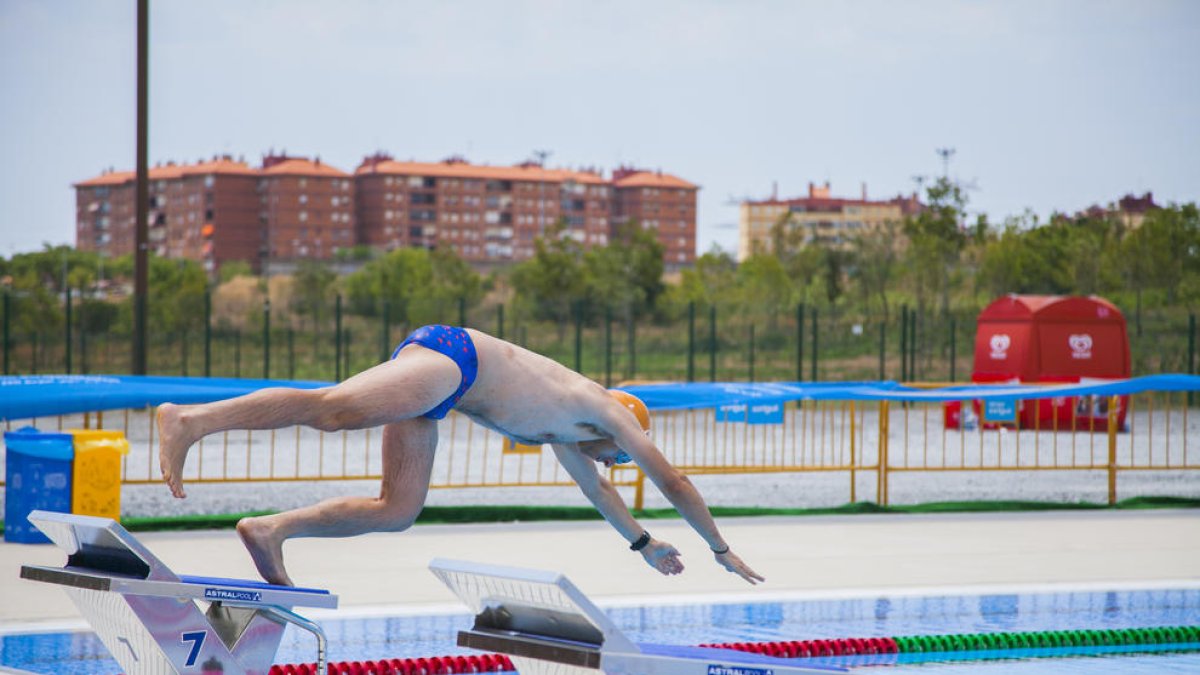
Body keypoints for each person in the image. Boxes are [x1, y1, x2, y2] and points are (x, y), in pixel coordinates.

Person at [158, 325, 764, 587]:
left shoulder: (570, 436)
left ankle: (270, 531)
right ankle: (191, 420)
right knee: (335, 411)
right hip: (455, 358)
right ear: (628, 428)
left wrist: (643, 545)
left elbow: (599, 495)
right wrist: (720, 548)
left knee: (398, 509)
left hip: (445, 393)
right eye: (619, 458)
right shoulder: (601, 409)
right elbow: (676, 482)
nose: (612, 465)